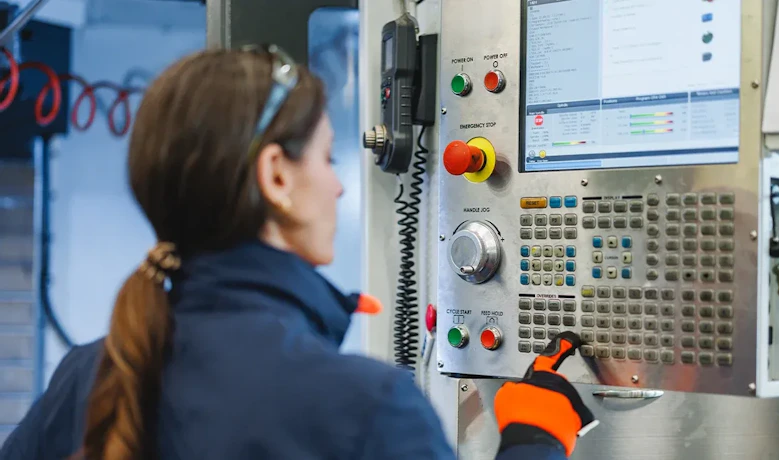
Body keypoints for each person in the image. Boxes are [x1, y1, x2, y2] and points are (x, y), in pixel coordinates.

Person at [0, 45, 596, 460]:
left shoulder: (91, 373)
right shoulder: (362, 406)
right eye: (327, 158)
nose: (337, 185)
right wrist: (533, 440)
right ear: (277, 178)